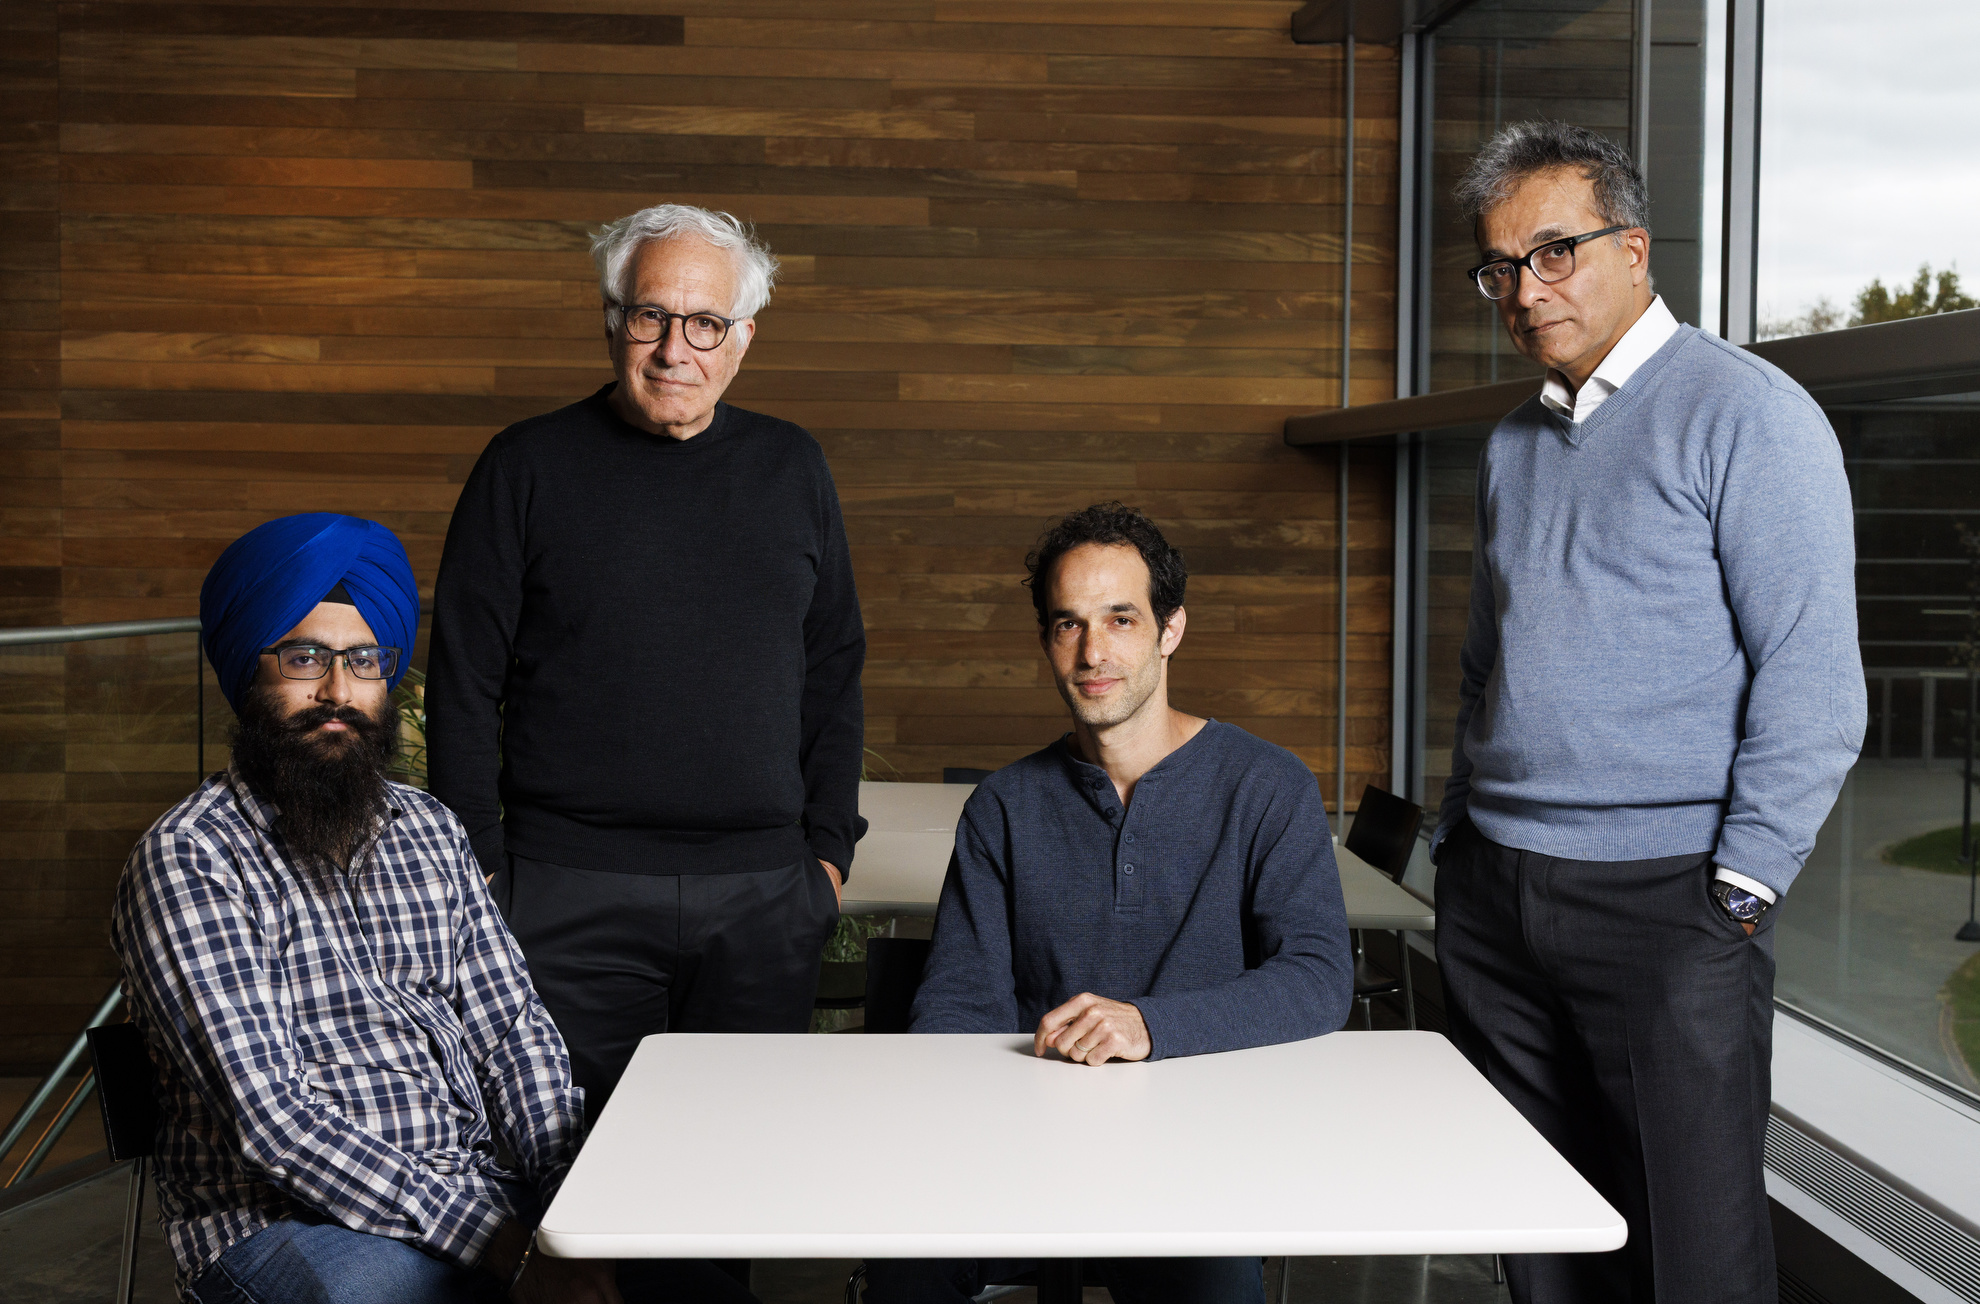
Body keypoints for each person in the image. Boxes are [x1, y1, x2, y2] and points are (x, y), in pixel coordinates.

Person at [112, 514, 761, 1304]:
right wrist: (512, 1253)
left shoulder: (427, 828)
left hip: (482, 1190)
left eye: (363, 661)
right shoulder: (190, 858)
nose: (336, 694)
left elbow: (513, 1034)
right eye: (303, 658)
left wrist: (572, 1203)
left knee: (707, 1296)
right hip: (286, 1224)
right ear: (251, 675)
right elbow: (276, 1123)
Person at [1433, 121, 1864, 1304]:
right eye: (1501, 266)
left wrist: (1740, 884)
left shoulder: (1750, 415)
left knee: (1696, 1254)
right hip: (1497, 893)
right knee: (1537, 1224)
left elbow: (1815, 683)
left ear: (1634, 246)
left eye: (1554, 251)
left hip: (1668, 903)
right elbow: (1486, 659)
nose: (1526, 289)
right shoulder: (1515, 444)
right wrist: (1459, 830)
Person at [424, 205, 866, 1125]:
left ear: (742, 338)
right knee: (569, 1170)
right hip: (565, 891)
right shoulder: (526, 466)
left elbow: (833, 667)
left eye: (704, 323)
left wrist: (825, 854)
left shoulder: (793, 467)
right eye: (650, 316)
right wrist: (485, 876)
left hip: (763, 895)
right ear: (611, 319)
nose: (675, 348)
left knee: (731, 1171)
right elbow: (464, 678)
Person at [864, 503, 1355, 1304]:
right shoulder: (1004, 804)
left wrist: (1147, 1025)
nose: (1093, 652)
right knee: (902, 1278)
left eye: (1120, 619)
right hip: (1021, 1150)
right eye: (1068, 625)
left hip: (1196, 1161)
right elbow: (958, 1001)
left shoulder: (1267, 786)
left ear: (1170, 630)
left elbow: (1319, 976)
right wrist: (968, 1135)